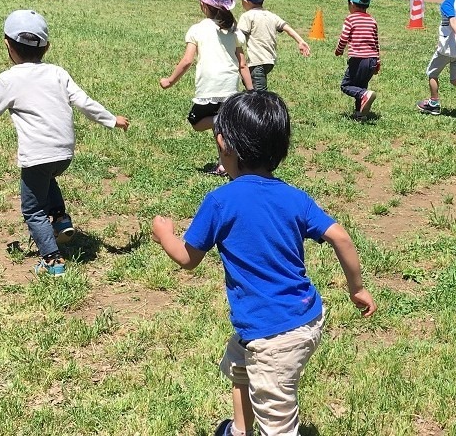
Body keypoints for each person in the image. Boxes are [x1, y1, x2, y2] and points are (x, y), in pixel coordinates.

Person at [151, 91, 377, 436]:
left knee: (278, 419)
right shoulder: (294, 197)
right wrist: (357, 288)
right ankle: (240, 429)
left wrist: (165, 233)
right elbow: (341, 237)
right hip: (301, 319)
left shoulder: (221, 201)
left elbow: (187, 257)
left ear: (223, 142)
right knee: (240, 368)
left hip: (273, 335)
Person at [0, 9, 130, 276]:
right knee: (48, 178)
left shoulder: (9, 79)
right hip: (64, 154)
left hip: (37, 155)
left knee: (32, 210)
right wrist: (112, 120)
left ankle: (53, 261)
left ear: (7, 44)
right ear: (47, 47)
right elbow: (84, 102)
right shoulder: (57, 73)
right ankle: (60, 218)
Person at [159, 0, 252, 176]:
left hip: (210, 87)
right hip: (230, 87)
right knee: (221, 131)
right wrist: (251, 91)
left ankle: (221, 121)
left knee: (197, 121)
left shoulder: (198, 29)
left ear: (203, 4)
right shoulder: (233, 30)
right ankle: (223, 164)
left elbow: (186, 61)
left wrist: (169, 81)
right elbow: (242, 63)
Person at [236, 0, 311, 91]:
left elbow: (238, 37)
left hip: (256, 62)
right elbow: (287, 28)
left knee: (259, 94)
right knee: (251, 87)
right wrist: (300, 41)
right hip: (269, 62)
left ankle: (264, 106)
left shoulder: (247, 16)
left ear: (245, 1)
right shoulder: (271, 15)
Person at [335, 0, 379, 119]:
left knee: (347, 85)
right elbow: (376, 42)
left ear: (352, 4)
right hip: (371, 59)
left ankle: (364, 96)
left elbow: (344, 37)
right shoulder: (372, 21)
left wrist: (339, 50)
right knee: (361, 85)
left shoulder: (350, 19)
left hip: (358, 59)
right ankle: (360, 113)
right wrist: (378, 62)